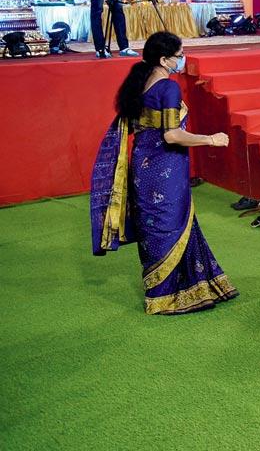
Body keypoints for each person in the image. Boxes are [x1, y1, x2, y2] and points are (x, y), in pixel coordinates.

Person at [89, 32, 237, 314]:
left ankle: (173, 289)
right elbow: (172, 135)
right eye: (179, 55)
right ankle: (166, 295)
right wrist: (211, 139)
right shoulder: (167, 89)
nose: (182, 60)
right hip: (165, 168)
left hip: (143, 166)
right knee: (170, 224)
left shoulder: (139, 82)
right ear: (164, 59)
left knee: (155, 225)